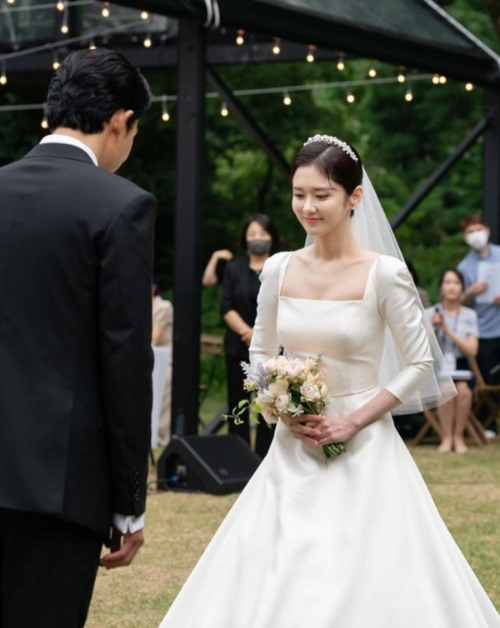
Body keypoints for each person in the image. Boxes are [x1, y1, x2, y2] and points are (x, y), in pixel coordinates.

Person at [158, 135, 500, 628]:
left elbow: (420, 363)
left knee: (366, 563)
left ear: (354, 197)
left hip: (364, 443)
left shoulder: (385, 274)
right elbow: (261, 350)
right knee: (280, 560)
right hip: (293, 443)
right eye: (299, 194)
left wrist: (353, 421)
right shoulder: (278, 269)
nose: (307, 207)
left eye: (322, 195)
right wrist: (280, 404)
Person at [0, 49, 156, 628]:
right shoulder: (120, 205)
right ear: (120, 120)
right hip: (59, 483)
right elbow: (125, 362)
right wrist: (129, 502)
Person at [221, 214, 280, 458]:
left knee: (270, 402)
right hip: (238, 346)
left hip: (272, 348)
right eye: (252, 233)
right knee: (238, 402)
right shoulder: (233, 268)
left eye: (263, 233)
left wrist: (261, 334)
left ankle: (265, 457)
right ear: (244, 238)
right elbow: (226, 306)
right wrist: (247, 332)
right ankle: (239, 457)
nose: (258, 238)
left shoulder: (279, 267)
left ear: (272, 237)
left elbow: (284, 305)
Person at [426, 269, 479, 453]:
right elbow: (423, 346)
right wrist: (433, 327)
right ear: (441, 287)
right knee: (446, 389)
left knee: (463, 392)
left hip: (461, 365)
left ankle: (459, 436)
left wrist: (448, 330)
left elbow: (472, 350)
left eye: (456, 283)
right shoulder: (430, 312)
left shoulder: (469, 315)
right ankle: (446, 437)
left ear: (462, 288)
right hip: (437, 366)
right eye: (447, 282)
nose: (451, 287)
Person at [458, 214, 500, 435]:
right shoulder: (464, 267)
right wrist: (471, 292)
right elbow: (458, 302)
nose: (476, 235)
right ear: (465, 237)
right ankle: (488, 425)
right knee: (487, 380)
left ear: (487, 230)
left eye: (478, 229)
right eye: (470, 232)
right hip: (482, 331)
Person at [152, 278, 174, 446]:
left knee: (165, 378)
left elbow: (154, 339)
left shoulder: (163, 307)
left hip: (164, 360)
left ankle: (160, 435)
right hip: (148, 358)